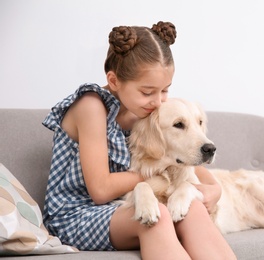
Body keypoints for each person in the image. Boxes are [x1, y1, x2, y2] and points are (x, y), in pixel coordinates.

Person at [42, 21, 237, 259]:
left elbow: (184, 161)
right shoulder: (92, 107)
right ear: (114, 81)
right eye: (148, 92)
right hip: (76, 215)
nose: (158, 101)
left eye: (164, 90)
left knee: (192, 209)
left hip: (119, 206)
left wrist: (214, 189)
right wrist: (154, 172)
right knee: (158, 217)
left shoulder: (141, 111)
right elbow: (101, 191)